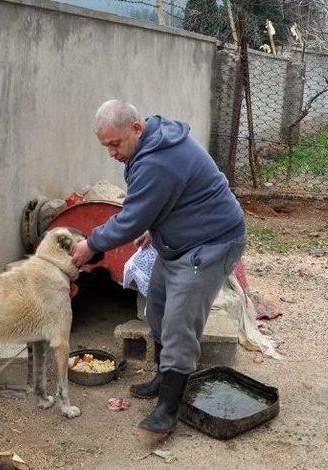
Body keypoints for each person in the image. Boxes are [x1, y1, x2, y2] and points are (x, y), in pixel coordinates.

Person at [72, 100, 246, 437]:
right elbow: (175, 197)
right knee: (159, 305)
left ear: (137, 128)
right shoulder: (154, 142)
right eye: (105, 146)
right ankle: (163, 377)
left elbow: (131, 218)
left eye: (115, 143)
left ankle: (168, 409)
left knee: (180, 322)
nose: (111, 152)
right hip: (183, 238)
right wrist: (156, 228)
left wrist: (91, 244)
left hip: (212, 242)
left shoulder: (158, 161)